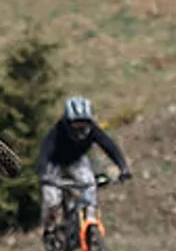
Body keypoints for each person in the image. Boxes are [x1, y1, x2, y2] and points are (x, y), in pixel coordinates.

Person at [36, 96, 131, 233]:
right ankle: (49, 229)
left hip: (76, 160)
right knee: (52, 201)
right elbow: (44, 153)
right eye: (76, 124)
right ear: (67, 123)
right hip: (54, 162)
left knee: (89, 184)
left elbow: (109, 146)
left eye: (85, 124)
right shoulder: (57, 132)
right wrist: (43, 173)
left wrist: (123, 167)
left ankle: (90, 222)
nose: (80, 129)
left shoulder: (93, 130)